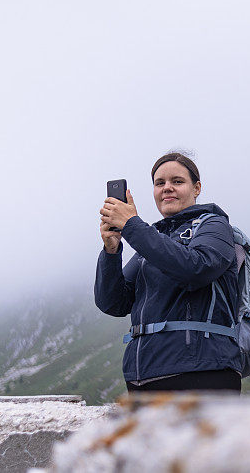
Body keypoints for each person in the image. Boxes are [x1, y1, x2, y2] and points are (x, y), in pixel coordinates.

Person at [96, 152, 242, 392]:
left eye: (177, 181)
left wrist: (133, 225)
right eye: (159, 183)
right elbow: (113, 303)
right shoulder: (151, 239)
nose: (167, 188)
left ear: (196, 188)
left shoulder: (214, 226)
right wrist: (111, 251)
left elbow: (195, 269)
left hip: (203, 372)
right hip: (144, 376)